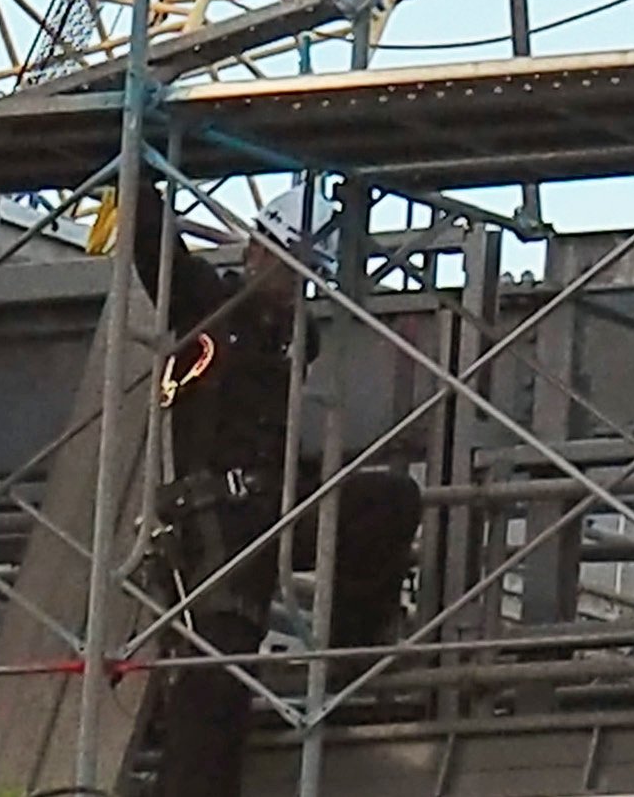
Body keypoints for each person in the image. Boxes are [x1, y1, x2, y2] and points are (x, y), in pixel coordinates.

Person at [126, 171, 423, 797]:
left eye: (306, 276)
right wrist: (139, 167)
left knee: (387, 502)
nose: (297, 288)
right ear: (260, 251)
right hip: (220, 519)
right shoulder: (205, 304)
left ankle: (342, 670)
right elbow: (152, 242)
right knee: (219, 671)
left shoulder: (295, 334)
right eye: (292, 269)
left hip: (278, 506)